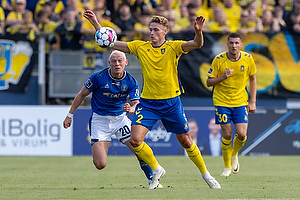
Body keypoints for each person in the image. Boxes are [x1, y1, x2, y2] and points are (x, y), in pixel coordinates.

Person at [83, 9, 221, 189]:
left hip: (171, 102)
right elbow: (112, 43)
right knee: (135, 140)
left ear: (165, 32)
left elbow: (196, 44)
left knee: (186, 141)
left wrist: (198, 31)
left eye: (156, 29)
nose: (152, 32)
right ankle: (156, 169)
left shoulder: (174, 47)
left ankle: (207, 175)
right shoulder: (141, 47)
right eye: (150, 29)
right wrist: (96, 24)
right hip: (148, 103)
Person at [63, 50, 160, 187]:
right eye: (114, 61)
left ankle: (152, 179)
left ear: (126, 62)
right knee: (100, 164)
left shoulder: (131, 81)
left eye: (120, 61)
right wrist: (69, 115)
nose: (117, 64)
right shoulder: (98, 77)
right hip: (100, 121)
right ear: (109, 63)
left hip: (120, 119)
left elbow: (136, 105)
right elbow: (81, 95)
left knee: (139, 150)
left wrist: (130, 109)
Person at [206, 32, 257, 177]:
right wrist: (223, 77)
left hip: (240, 101)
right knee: (227, 134)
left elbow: (252, 79)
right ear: (227, 44)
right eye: (231, 43)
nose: (234, 46)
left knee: (241, 134)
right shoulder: (219, 60)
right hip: (221, 101)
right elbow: (208, 82)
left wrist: (252, 101)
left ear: (241, 45)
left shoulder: (248, 59)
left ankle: (234, 155)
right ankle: (227, 166)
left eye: (236, 43)